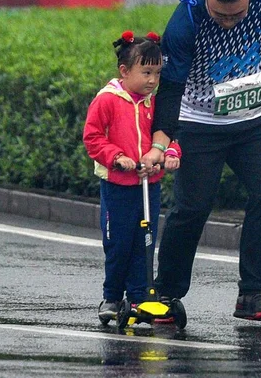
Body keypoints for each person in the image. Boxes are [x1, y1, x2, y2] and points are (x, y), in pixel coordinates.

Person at [142, 0, 261, 323]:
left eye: (237, 14)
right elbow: (170, 88)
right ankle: (166, 293)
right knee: (192, 208)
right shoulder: (186, 19)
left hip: (255, 120)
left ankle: (253, 294)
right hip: (199, 124)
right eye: (220, 15)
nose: (228, 21)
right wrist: (161, 140)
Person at [83, 31, 182, 322]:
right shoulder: (108, 100)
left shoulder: (155, 103)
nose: (152, 80)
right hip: (118, 185)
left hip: (148, 183)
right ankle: (112, 296)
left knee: (145, 240)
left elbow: (169, 132)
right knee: (119, 242)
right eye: (146, 72)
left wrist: (171, 154)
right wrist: (117, 157)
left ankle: (140, 297)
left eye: (157, 73)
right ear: (124, 71)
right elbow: (93, 137)